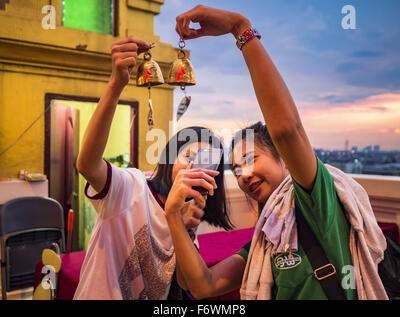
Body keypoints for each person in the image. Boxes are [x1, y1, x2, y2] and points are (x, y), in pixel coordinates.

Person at [165, 5, 388, 300]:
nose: (243, 175)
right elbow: (203, 285)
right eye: (236, 168)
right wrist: (173, 219)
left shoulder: (317, 203)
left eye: (250, 159)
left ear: (283, 157)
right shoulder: (269, 236)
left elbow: (286, 129)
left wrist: (239, 28)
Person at [73, 37, 233, 300]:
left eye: (206, 164)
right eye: (189, 156)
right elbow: (88, 165)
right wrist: (116, 85)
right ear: (170, 157)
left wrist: (182, 225)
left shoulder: (188, 221)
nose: (194, 168)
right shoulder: (131, 187)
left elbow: (189, 285)